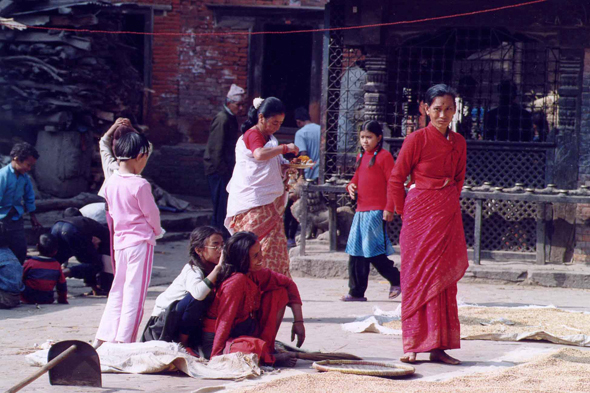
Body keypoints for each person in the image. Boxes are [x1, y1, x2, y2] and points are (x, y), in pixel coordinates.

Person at [385, 84, 468, 365]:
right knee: (416, 278)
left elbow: (459, 180)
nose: (442, 115)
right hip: (418, 214)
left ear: (455, 110)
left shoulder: (459, 142)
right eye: (437, 109)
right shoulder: (416, 139)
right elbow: (397, 178)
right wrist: (400, 211)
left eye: (448, 109)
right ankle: (412, 345)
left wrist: (445, 203)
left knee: (443, 282)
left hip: (446, 214)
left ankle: (438, 347)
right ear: (425, 109)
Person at [94, 132, 163, 347]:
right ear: (140, 155)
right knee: (135, 294)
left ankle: (103, 337)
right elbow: (152, 215)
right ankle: (125, 342)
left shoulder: (110, 182)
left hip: (121, 243)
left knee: (118, 290)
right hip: (140, 242)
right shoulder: (140, 185)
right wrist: (158, 231)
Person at [201, 231, 305, 367]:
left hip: (243, 329)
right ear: (242, 259)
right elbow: (224, 322)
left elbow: (288, 284)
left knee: (279, 293)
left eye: (260, 252)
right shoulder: (236, 282)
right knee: (250, 349)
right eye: (255, 256)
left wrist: (298, 321)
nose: (261, 258)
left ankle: (266, 349)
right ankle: (269, 357)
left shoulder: (256, 273)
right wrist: (216, 356)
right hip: (218, 339)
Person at [225, 97, 299, 276]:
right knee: (251, 247)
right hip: (253, 201)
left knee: (273, 248)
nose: (277, 127)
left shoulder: (269, 138)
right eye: (274, 122)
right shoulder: (253, 134)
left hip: (268, 202)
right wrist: (285, 148)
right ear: (261, 118)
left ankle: (273, 285)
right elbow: (259, 155)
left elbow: (269, 163)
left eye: (280, 123)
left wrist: (286, 164)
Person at [341, 120, 401, 302]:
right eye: (362, 137)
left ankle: (397, 279)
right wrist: (350, 186)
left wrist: (389, 208)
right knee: (356, 251)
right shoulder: (361, 157)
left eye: (369, 137)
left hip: (376, 211)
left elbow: (392, 183)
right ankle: (356, 291)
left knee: (373, 253)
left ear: (379, 138)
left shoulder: (384, 157)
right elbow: (356, 178)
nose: (365, 141)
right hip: (361, 211)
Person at [142, 226, 223, 356]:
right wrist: (218, 269)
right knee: (196, 298)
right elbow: (198, 294)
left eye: (222, 245)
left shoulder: (212, 269)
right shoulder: (192, 270)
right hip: (163, 321)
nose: (221, 250)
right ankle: (183, 343)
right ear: (199, 250)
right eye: (215, 246)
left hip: (183, 320)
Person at [204, 84, 247, 237]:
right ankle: (215, 240)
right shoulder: (222, 119)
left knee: (223, 207)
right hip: (218, 171)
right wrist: (223, 171)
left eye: (242, 105)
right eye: (238, 104)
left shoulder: (230, 118)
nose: (241, 108)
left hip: (225, 169)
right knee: (220, 208)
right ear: (229, 102)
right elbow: (216, 149)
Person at [283, 107, 321, 247]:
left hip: (309, 175)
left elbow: (303, 154)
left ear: (298, 122)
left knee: (295, 206)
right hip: (320, 175)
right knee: (317, 207)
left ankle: (291, 237)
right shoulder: (320, 129)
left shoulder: (301, 133)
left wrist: (301, 177)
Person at [51, 207, 111, 296]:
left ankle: (44, 282)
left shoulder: (64, 221)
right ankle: (64, 273)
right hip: (73, 230)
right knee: (95, 265)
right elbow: (103, 254)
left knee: (53, 262)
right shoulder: (89, 224)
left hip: (56, 228)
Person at [0, 142, 41, 264]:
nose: (29, 169)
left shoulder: (25, 178)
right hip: (1, 219)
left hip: (16, 219)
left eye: (31, 166)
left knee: (20, 250)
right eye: (28, 165)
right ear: (17, 159)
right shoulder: (3, 176)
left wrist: (33, 216)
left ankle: (18, 276)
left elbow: (29, 197)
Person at [21, 233, 68, 305]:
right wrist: (62, 299)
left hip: (27, 298)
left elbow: (19, 278)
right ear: (55, 251)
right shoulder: (56, 265)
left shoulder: (30, 263)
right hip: (47, 298)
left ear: (37, 247)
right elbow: (62, 285)